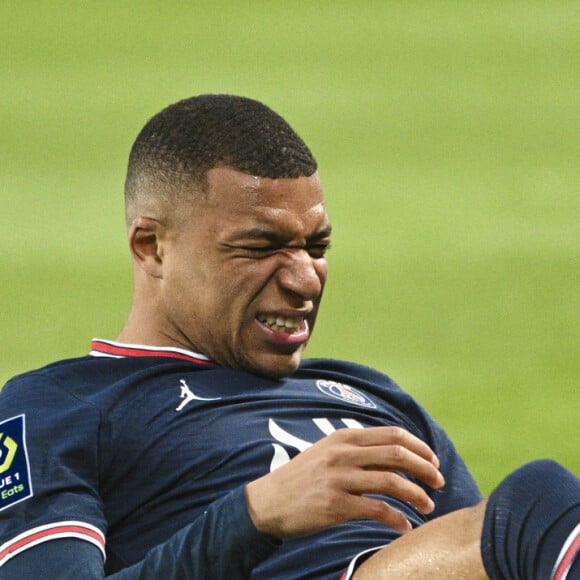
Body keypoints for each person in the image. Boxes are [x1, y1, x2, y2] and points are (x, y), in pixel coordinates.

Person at [0, 94, 577, 579]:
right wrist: (255, 515)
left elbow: (474, 548)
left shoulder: (371, 394)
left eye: (316, 248)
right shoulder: (59, 406)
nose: (305, 278)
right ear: (152, 246)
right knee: (536, 502)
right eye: (259, 247)